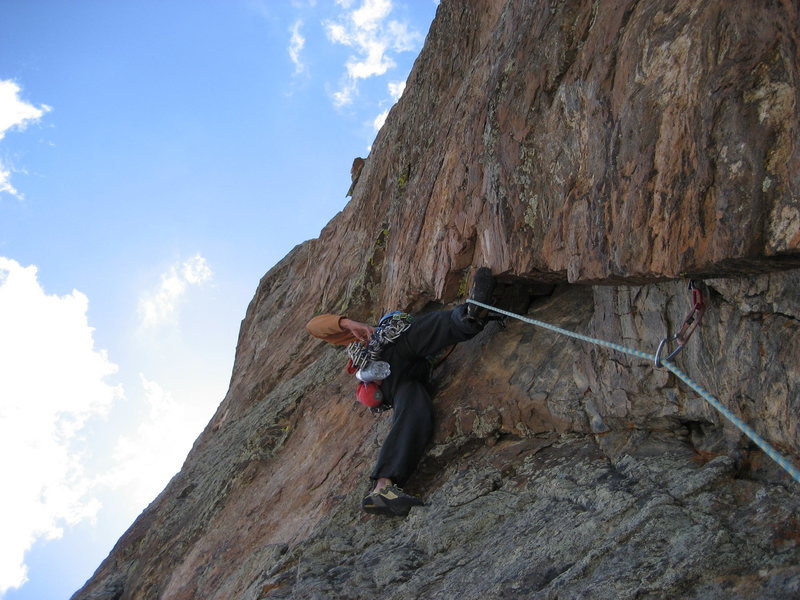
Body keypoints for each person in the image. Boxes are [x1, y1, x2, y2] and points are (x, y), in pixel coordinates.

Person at [305, 268, 496, 517]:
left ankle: (383, 488)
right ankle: (468, 317)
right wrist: (348, 323)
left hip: (407, 378)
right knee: (419, 330)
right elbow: (314, 327)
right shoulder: (370, 336)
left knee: (416, 411)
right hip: (390, 356)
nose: (400, 318)